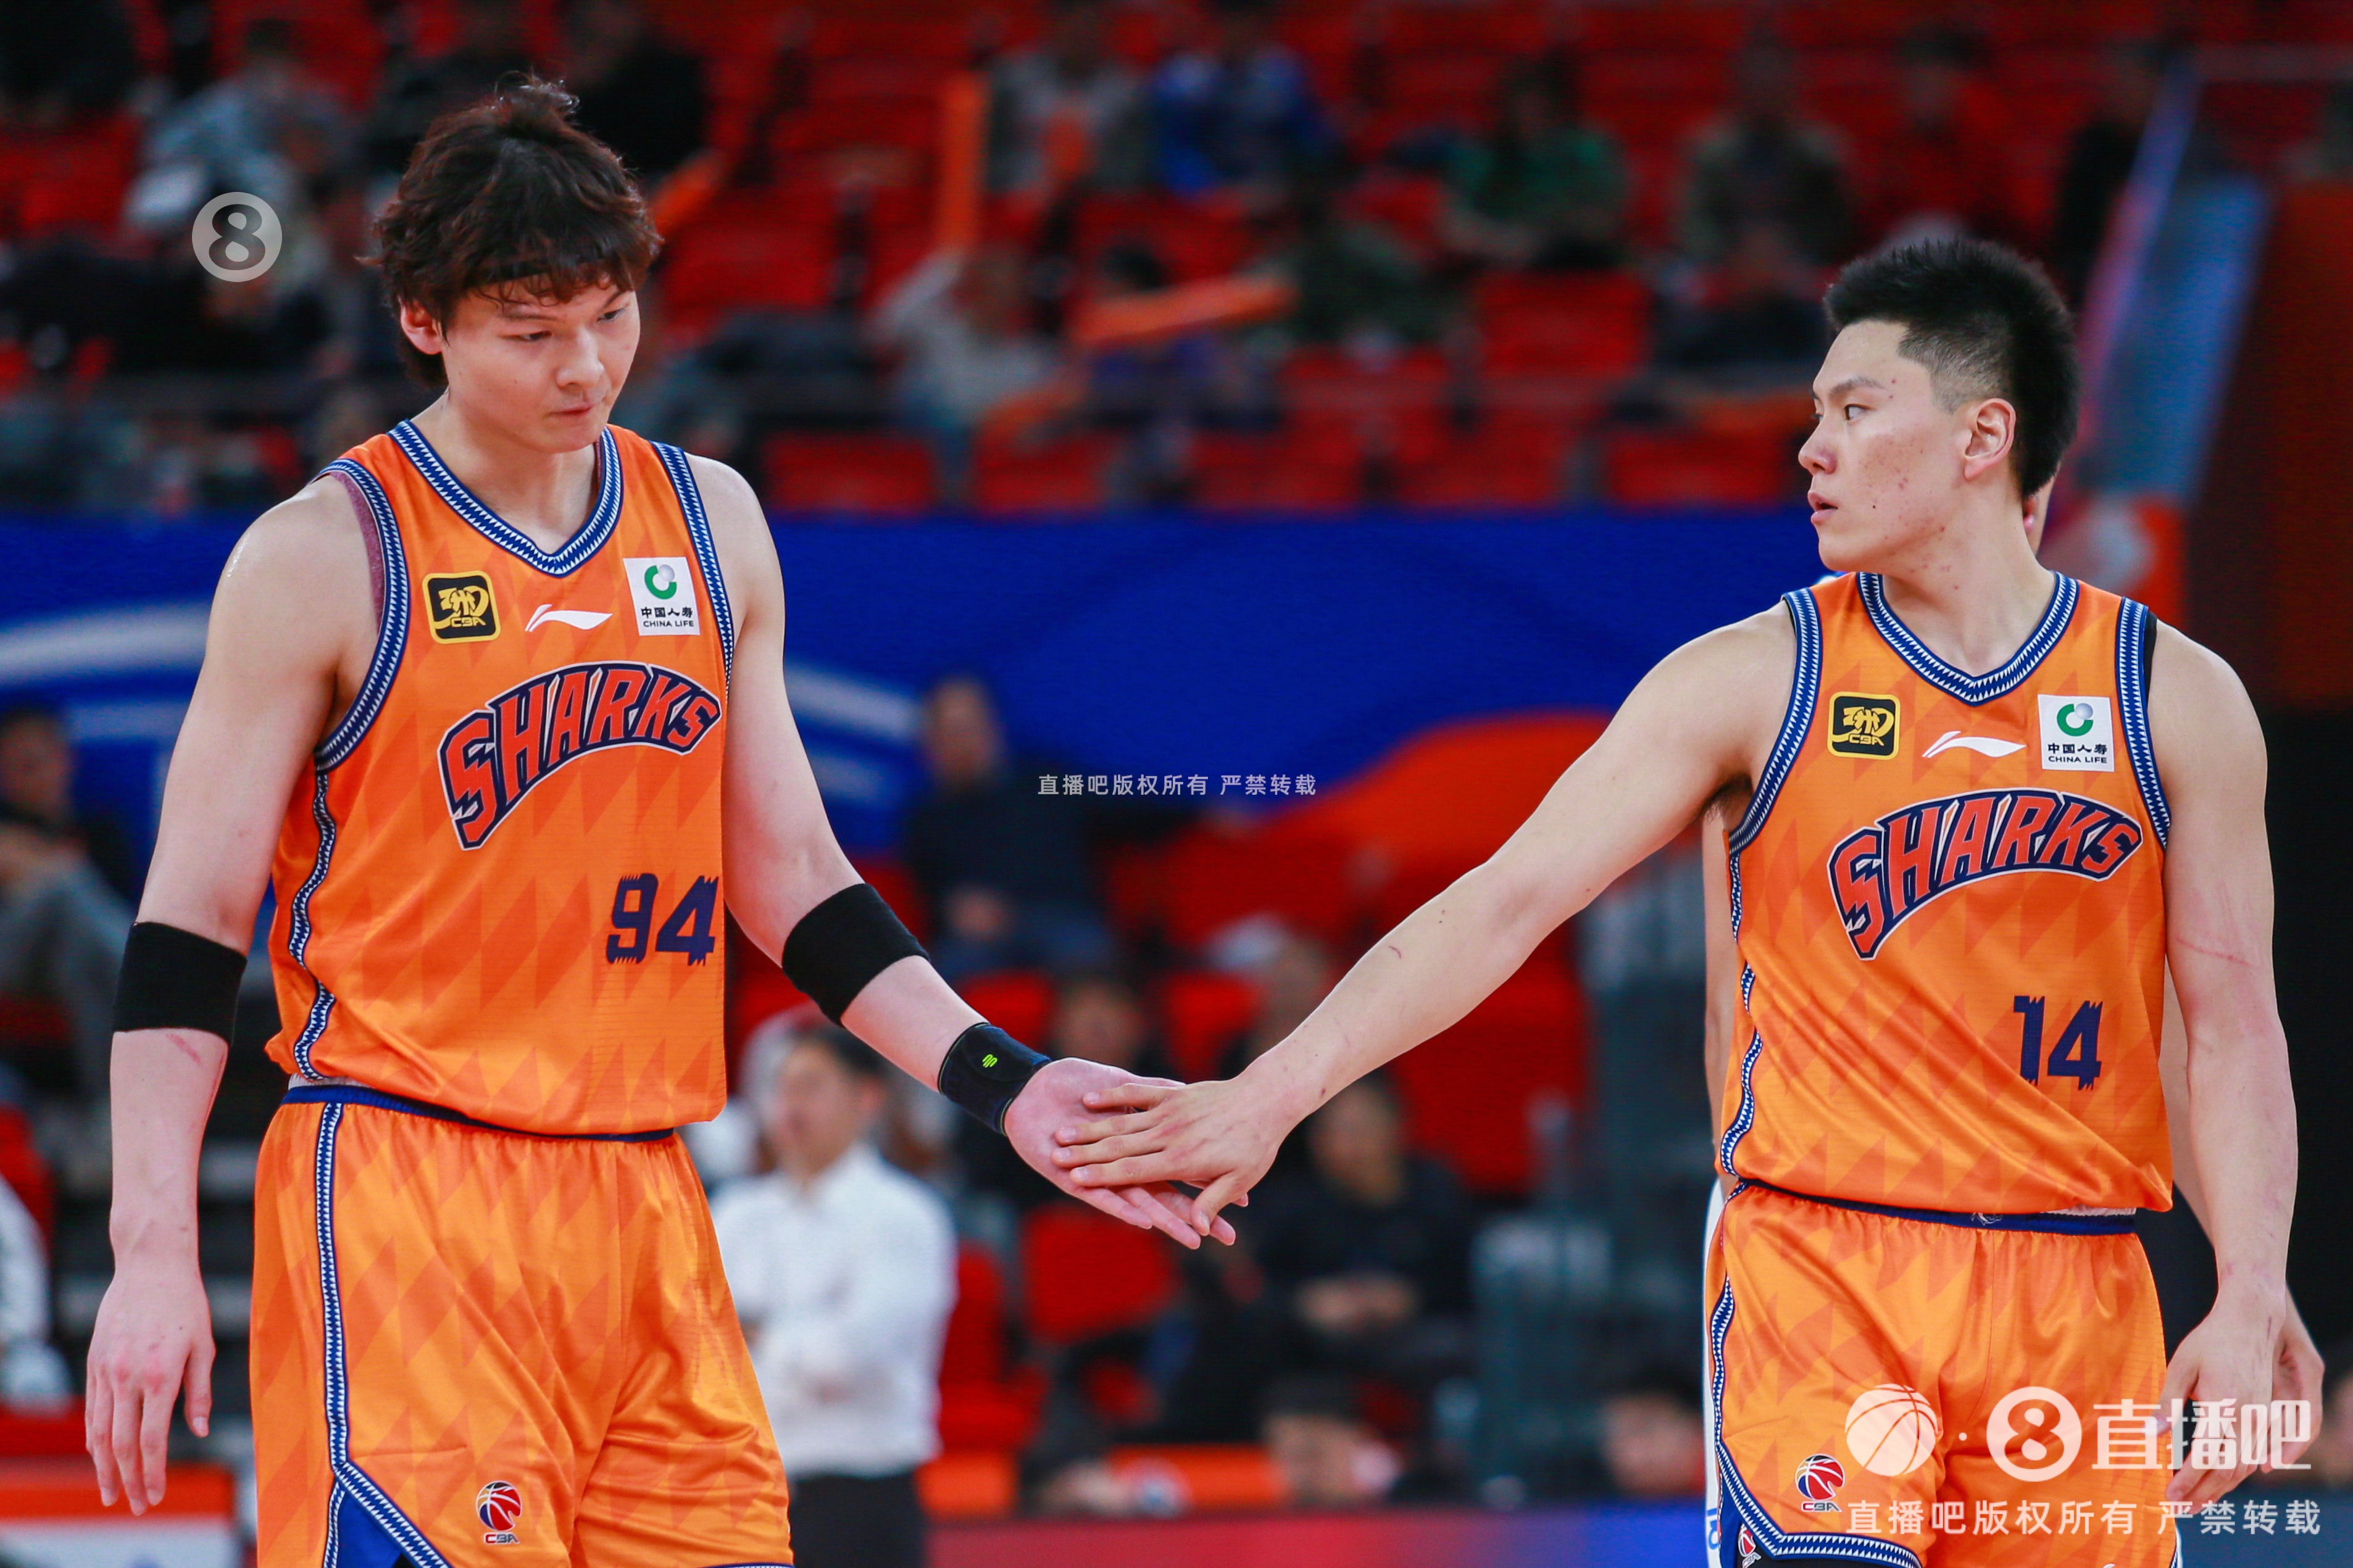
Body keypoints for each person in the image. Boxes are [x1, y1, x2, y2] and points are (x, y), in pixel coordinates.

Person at [81, 78, 1224, 1566]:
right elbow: (186, 932)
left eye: (611, 316)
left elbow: (796, 880)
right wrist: (152, 1250)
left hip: (647, 1190)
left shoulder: (709, 520)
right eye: (530, 330)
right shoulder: (319, 556)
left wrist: (1005, 1081)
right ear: (424, 320)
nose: (585, 365)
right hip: (410, 1181)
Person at [1060, 238, 2310, 1564]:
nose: (1810, 450)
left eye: (1854, 409)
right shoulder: (1751, 678)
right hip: (1822, 1264)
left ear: (1980, 436)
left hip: (2075, 1280)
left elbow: (2230, 1025)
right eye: (1815, 414)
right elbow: (1504, 900)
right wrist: (1273, 1090)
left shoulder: (2172, 697)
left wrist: (2249, 1284)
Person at [712, 1026, 954, 1568]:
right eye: (781, 1087)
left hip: (861, 1493)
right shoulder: (734, 1213)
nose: (790, 1105)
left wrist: (756, 1331)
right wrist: (790, 1333)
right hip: (746, 1490)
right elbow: (700, 1345)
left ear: (866, 1097)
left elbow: (846, 1358)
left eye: (811, 1086)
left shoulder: (904, 1214)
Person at [899, 674, 1114, 982]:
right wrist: (955, 908)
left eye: (968, 727)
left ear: (992, 726)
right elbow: (931, 894)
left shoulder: (1049, 782)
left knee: (1091, 961)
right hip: (978, 937)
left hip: (1059, 919)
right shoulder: (926, 816)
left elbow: (1131, 806)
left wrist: (1188, 797)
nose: (962, 742)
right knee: (937, 977)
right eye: (950, 731)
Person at [0, 702, 136, 1098]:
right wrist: (60, 870)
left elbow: (113, 903)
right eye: (17, 766)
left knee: (78, 958)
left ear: (64, 761)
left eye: (36, 763)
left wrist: (28, 863)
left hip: (76, 963)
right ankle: (141, 969)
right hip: (13, 961)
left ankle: (104, 1106)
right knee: (68, 886)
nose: (29, 776)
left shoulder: (101, 830)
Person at [1678, 33, 1852, 267]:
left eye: (1773, 82)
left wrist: (1788, 254)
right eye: (1757, 83)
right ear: (1739, 85)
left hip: (1804, 264)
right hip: (1724, 265)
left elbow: (1836, 223)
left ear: (1791, 83)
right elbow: (1694, 220)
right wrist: (1731, 257)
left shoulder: (1822, 150)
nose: (1765, 91)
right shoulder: (1709, 149)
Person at [1441, 60, 1629, 273]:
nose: (1532, 112)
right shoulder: (1482, 155)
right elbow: (1456, 226)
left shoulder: (1589, 150)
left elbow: (1609, 216)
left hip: (1581, 260)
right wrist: (1505, 241)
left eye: (1541, 104)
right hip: (1503, 261)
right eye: (1523, 104)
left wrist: (1564, 229)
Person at [1151, 0, 1330, 200]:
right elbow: (1174, 150)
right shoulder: (1183, 80)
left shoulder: (1284, 73)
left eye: (1253, 23)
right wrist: (1210, 193)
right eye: (1235, 22)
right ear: (1217, 24)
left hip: (1272, 188)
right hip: (1206, 194)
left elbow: (1306, 139)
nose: (1243, 31)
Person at [987, 0, 1149, 197]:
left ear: (1105, 31)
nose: (1081, 41)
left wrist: (1081, 183)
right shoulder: (1012, 79)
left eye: (1089, 31)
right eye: (1073, 32)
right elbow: (987, 155)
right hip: (1017, 196)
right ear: (1054, 27)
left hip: (1097, 202)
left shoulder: (1128, 90)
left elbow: (1132, 168)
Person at [565, 0, 707, 182]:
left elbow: (677, 155)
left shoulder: (673, 75)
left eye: (617, 7)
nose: (601, 18)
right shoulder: (570, 80)